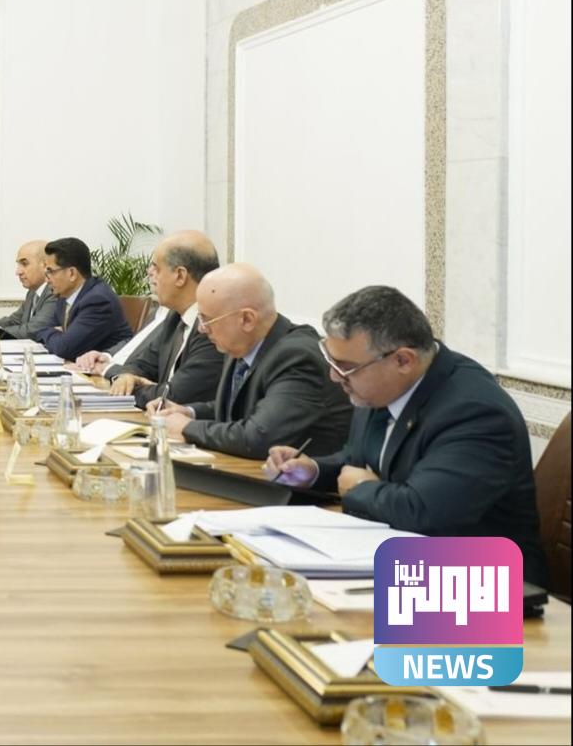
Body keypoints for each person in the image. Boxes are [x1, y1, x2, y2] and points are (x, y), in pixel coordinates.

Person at [266, 286, 548, 586]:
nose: (334, 376)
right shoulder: (380, 387)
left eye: (345, 368)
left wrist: (359, 488)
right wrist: (313, 471)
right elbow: (358, 461)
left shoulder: (476, 412)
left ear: (403, 360)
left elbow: (422, 512)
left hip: (484, 582)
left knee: (305, 602)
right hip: (399, 559)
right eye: (331, 361)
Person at [150, 263, 351, 459]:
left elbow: (258, 437)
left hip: (292, 479)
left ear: (247, 319)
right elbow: (244, 407)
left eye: (207, 320)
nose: (202, 329)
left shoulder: (297, 358)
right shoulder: (243, 343)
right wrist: (189, 412)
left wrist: (186, 427)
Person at [77, 230, 223, 408]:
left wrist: (135, 388)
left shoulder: (212, 327)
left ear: (180, 276)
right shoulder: (175, 318)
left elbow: (175, 397)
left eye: (156, 268)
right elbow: (139, 364)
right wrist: (128, 377)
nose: (149, 273)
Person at [31, 237, 131, 361]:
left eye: (51, 271)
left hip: (102, 369)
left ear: (72, 273)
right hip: (77, 365)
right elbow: (41, 330)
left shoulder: (98, 300)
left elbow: (65, 348)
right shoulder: (64, 296)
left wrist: (54, 333)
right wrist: (56, 333)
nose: (47, 279)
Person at [0, 241, 58, 340]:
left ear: (45, 265)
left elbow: (33, 330)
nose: (18, 272)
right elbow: (14, 321)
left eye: (25, 264)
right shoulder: (32, 292)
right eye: (18, 265)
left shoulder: (54, 292)